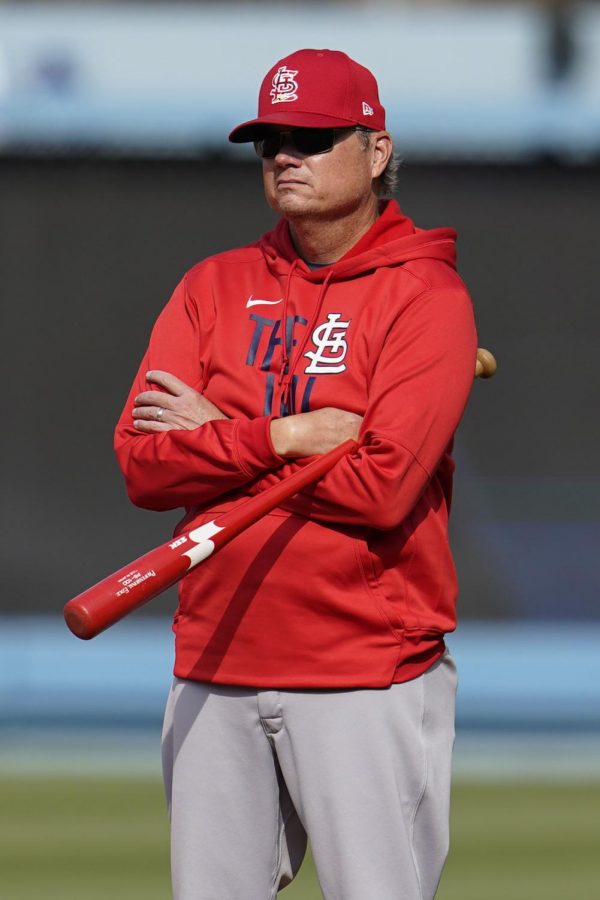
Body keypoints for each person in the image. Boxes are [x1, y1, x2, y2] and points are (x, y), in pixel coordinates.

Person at [114, 48, 477, 900]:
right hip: (216, 658)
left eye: (313, 137)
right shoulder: (214, 286)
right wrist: (282, 437)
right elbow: (141, 463)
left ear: (376, 150)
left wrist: (220, 437)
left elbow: (384, 490)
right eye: (271, 138)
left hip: (364, 668)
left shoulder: (426, 297)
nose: (286, 155)